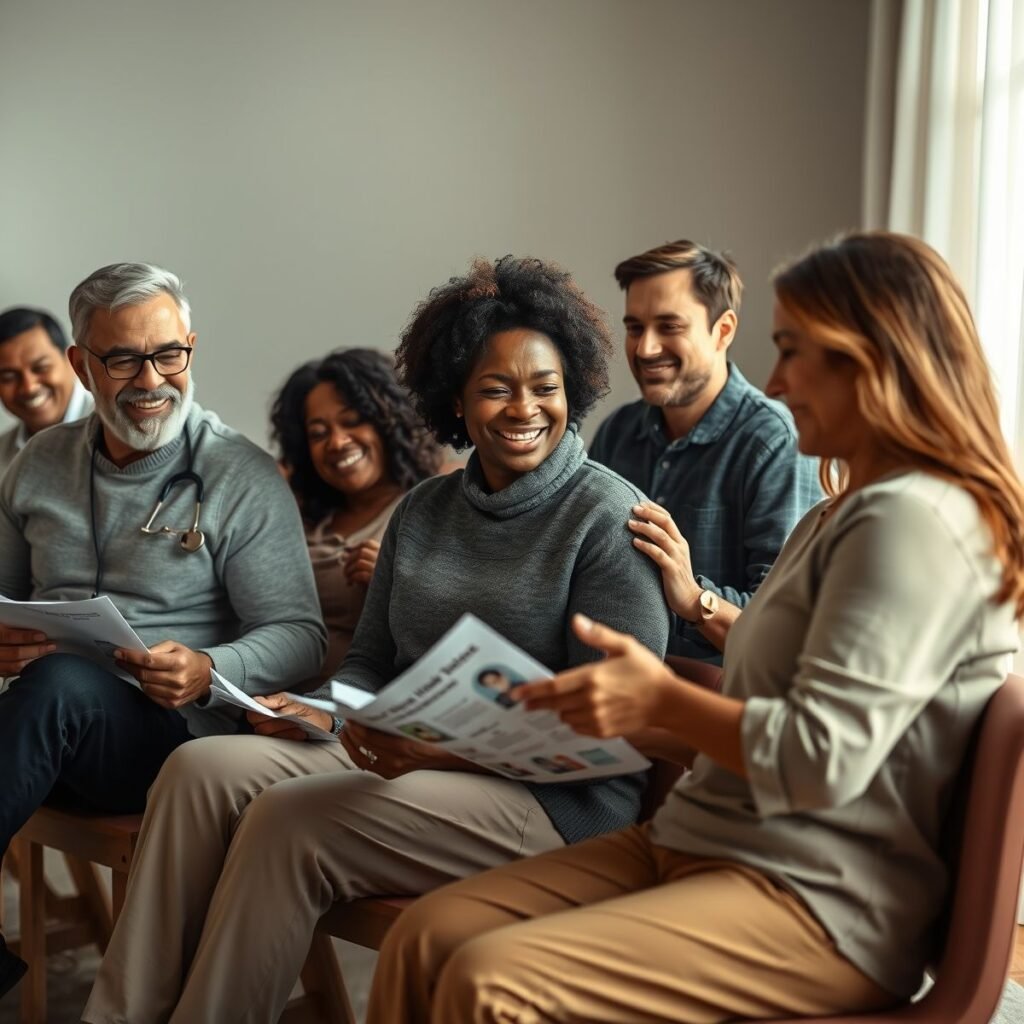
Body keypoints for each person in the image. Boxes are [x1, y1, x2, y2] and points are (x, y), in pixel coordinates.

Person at [366, 232, 1024, 1024]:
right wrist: (610, 715)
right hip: (702, 842)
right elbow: (761, 709)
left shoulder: (913, 523)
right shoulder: (837, 515)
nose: (775, 382)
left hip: (812, 898)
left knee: (489, 978)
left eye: (793, 351)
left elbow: (821, 761)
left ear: (871, 358)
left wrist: (663, 703)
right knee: (426, 938)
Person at [84, 255, 671, 1023]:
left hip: (554, 802)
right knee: (199, 770)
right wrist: (319, 710)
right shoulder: (426, 510)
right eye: (495, 388)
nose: (523, 408)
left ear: (574, 392)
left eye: (545, 387)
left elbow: (617, 731)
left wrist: (435, 750)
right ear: (455, 401)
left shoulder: (608, 520)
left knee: (291, 824)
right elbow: (369, 664)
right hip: (407, 752)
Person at [0, 263, 325, 999]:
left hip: (175, 745)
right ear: (83, 364)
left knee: (56, 686)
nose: (151, 379)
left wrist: (213, 665)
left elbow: (300, 635)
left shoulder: (240, 474)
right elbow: (4, 599)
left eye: (168, 354)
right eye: (122, 359)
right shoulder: (35, 466)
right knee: (52, 685)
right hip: (47, 738)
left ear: (191, 347)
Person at [590, 239, 821, 661]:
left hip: (717, 699)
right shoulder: (617, 433)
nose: (645, 349)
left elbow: (783, 625)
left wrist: (692, 595)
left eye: (670, 326)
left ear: (724, 331)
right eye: (635, 327)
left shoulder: (776, 443)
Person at [270, 348, 444, 687]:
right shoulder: (298, 513)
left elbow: (455, 625)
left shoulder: (430, 507)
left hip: (360, 713)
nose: (337, 442)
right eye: (318, 433)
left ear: (391, 422)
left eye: (352, 422)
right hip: (270, 702)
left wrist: (396, 581)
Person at [0, 306, 93, 475]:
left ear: (73, 362)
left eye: (41, 368)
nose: (29, 387)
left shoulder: (116, 426)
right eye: (8, 377)